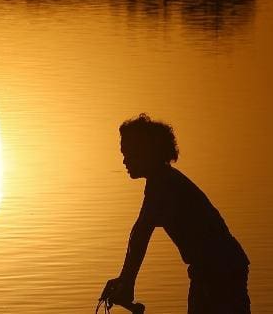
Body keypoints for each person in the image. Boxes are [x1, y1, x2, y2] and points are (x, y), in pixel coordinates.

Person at [102, 114, 251, 314]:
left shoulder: (163, 185)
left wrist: (127, 281)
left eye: (131, 153)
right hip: (215, 268)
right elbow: (139, 232)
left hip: (218, 271)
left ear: (148, 152)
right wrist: (125, 279)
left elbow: (140, 233)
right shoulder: (163, 179)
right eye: (124, 153)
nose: (125, 160)